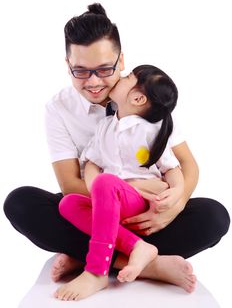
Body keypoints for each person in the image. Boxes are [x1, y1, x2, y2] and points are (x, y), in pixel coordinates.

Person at [3, 3, 230, 293]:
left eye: (104, 69)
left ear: (122, 61)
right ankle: (145, 263)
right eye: (81, 71)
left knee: (214, 216)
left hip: (146, 212)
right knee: (21, 203)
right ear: (67, 65)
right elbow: (70, 183)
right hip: (94, 205)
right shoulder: (59, 108)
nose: (94, 82)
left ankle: (92, 256)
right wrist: (123, 191)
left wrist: (174, 205)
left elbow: (186, 166)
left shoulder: (144, 96)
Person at [54, 65, 195, 301]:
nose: (123, 77)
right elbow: (92, 164)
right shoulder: (105, 127)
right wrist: (95, 188)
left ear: (138, 98)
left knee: (211, 215)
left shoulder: (152, 130)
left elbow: (173, 169)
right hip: (108, 202)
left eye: (129, 77)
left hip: (138, 206)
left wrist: (177, 192)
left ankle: (97, 270)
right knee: (67, 204)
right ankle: (137, 247)